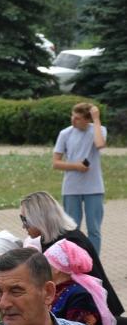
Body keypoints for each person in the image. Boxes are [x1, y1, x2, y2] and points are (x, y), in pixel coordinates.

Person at [20, 190, 122, 315]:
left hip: (93, 311)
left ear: (39, 219)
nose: (23, 226)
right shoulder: (49, 238)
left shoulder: (69, 242)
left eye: (25, 220)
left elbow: (74, 285)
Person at [45, 239, 116, 325]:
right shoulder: (55, 289)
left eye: (46, 264)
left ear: (57, 269)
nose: (42, 270)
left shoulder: (81, 296)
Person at [54, 103, 106, 253]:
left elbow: (100, 144)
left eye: (77, 118)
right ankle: (74, 264)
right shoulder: (65, 133)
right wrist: (76, 166)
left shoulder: (99, 130)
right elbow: (56, 163)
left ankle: (94, 266)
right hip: (71, 189)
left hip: (94, 188)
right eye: (72, 116)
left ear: (86, 120)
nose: (73, 120)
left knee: (94, 230)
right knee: (72, 229)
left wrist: (96, 119)